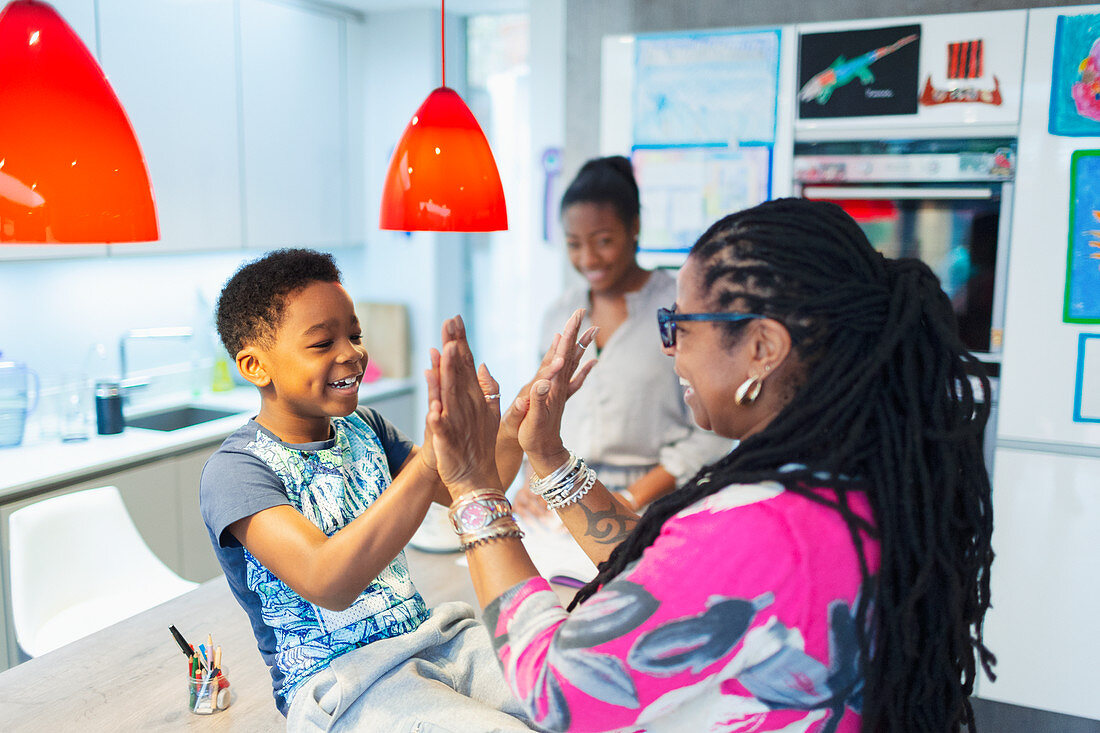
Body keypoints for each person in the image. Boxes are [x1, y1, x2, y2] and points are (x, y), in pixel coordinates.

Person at [424, 198, 996, 732]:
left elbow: (555, 693)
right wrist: (548, 457)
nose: (670, 348)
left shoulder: (760, 528)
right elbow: (664, 574)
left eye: (681, 326)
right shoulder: (843, 481)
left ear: (762, 349)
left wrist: (474, 487)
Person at [198, 249, 536, 731]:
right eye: (322, 343)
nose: (352, 352)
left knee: (566, 694)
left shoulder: (365, 426)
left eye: (354, 335)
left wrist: (517, 427)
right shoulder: (237, 470)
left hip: (430, 639)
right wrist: (427, 461)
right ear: (255, 366)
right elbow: (327, 581)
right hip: (341, 686)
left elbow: (475, 486)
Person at [513, 155, 731, 516]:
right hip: (561, 500)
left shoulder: (678, 308)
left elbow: (713, 431)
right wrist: (530, 483)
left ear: (634, 226)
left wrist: (630, 498)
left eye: (602, 241)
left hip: (656, 505)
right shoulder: (559, 313)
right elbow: (537, 412)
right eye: (573, 244)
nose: (588, 259)